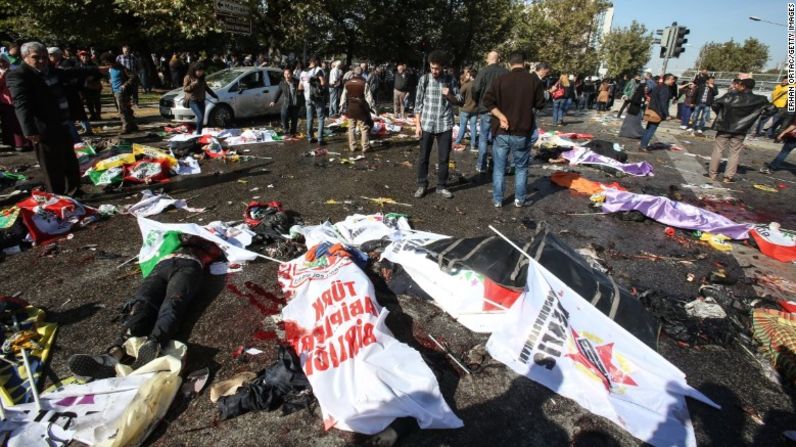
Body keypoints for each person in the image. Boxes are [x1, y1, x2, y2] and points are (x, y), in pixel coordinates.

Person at [68, 235, 223, 378]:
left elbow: (216, 251)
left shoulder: (207, 239)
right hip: (161, 266)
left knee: (172, 303)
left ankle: (154, 344)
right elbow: (153, 244)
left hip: (189, 266)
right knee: (142, 304)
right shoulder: (169, 237)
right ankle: (113, 355)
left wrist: (195, 237)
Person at [7, 42, 88, 195]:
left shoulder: (49, 70)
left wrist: (97, 70)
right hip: (42, 128)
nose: (42, 61)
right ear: (25, 57)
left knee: (69, 161)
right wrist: (29, 130)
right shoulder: (18, 75)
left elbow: (72, 74)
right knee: (51, 165)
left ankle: (74, 190)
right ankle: (56, 195)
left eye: (44, 57)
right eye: (36, 57)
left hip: (62, 123)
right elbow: (21, 104)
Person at [482, 52, 545, 208]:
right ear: (524, 63)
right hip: (522, 132)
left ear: (510, 64)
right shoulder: (533, 80)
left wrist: (500, 115)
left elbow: (487, 101)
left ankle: (497, 200)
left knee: (499, 167)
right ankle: (520, 199)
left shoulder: (500, 80)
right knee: (522, 167)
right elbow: (541, 104)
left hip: (502, 132)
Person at [413, 50, 462, 199]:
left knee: (443, 158)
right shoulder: (424, 79)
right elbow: (418, 104)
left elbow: (459, 100)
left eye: (437, 68)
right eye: (432, 67)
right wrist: (417, 125)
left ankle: (441, 186)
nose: (434, 71)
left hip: (445, 124)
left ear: (442, 67)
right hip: (426, 123)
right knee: (423, 157)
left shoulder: (450, 79)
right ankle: (422, 185)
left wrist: (449, 95)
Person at [707, 78, 769, 182]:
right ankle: (728, 177)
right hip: (742, 129)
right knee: (734, 153)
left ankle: (712, 174)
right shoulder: (760, 99)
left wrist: (722, 115)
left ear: (743, 86)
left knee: (718, 150)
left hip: (724, 127)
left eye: (739, 85)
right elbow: (772, 109)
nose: (737, 86)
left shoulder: (730, 95)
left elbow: (715, 104)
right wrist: (758, 115)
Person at [472, 51, 509, 173]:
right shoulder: (505, 72)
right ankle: (494, 164)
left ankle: (481, 165)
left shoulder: (483, 71)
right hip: (499, 110)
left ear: (488, 59)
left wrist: (478, 102)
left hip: (485, 109)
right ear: (498, 60)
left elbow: (475, 89)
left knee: (483, 138)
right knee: (497, 138)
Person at [49, 47, 92, 141]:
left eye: (51, 55)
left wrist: (77, 86)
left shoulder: (66, 63)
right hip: (64, 93)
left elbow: (76, 74)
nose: (50, 57)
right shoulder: (53, 64)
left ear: (58, 54)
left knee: (75, 113)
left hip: (71, 92)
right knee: (71, 115)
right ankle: (78, 134)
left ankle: (80, 134)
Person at [340, 66, 375, 153]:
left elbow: (343, 96)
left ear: (353, 73)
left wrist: (341, 106)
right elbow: (369, 98)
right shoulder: (364, 83)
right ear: (362, 73)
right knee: (364, 127)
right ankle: (365, 147)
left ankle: (352, 146)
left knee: (351, 127)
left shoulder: (347, 83)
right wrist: (373, 107)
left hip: (351, 107)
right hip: (360, 108)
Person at [0, 56, 31, 152]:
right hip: (5, 102)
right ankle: (17, 144)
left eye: (3, 61)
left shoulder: (14, 69)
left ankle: (28, 142)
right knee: (11, 123)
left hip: (18, 99)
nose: (2, 64)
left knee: (22, 120)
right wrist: (2, 76)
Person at [639, 74, 675, 151]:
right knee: (651, 130)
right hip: (657, 112)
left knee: (648, 129)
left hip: (652, 110)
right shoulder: (665, 89)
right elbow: (663, 102)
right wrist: (667, 114)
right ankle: (643, 146)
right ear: (667, 79)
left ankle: (642, 144)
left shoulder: (658, 86)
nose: (673, 81)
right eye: (672, 79)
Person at [106, 53, 138, 134]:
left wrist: (125, 85)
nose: (105, 64)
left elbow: (133, 76)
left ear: (109, 61)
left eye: (106, 62)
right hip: (115, 91)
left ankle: (126, 127)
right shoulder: (110, 68)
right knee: (127, 109)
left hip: (121, 92)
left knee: (122, 110)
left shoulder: (121, 68)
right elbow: (111, 77)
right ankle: (133, 125)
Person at [298, 56, 327, 145]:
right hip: (317, 98)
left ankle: (310, 137)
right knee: (321, 118)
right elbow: (322, 82)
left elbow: (300, 87)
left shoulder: (302, 72)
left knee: (309, 118)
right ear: (315, 62)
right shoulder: (318, 70)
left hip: (307, 98)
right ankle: (320, 139)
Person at [183, 63, 218, 135]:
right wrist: (194, 84)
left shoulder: (202, 78)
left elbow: (207, 88)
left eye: (202, 71)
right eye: (198, 71)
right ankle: (198, 134)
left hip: (201, 100)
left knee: (201, 118)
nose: (200, 73)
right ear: (194, 70)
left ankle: (199, 132)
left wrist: (214, 95)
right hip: (193, 101)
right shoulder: (188, 77)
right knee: (200, 116)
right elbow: (185, 89)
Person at [270, 68, 301, 137]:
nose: (287, 76)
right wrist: (274, 101)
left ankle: (293, 132)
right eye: (285, 74)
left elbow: (302, 91)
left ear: (292, 74)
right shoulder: (282, 83)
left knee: (294, 118)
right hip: (287, 103)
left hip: (295, 103)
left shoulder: (297, 82)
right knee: (284, 116)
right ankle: (286, 130)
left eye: (288, 74)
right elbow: (278, 92)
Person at [452, 67, 478, 152]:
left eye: (467, 74)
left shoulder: (467, 84)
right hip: (475, 110)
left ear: (470, 75)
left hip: (465, 109)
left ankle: (457, 142)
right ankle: (473, 145)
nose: (466, 75)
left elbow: (459, 94)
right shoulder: (478, 85)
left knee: (463, 126)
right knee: (473, 127)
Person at [78, 50, 102, 121]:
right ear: (80, 57)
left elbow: (100, 74)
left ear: (88, 57)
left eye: (86, 55)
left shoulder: (93, 65)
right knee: (88, 102)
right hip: (84, 87)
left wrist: (93, 78)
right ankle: (93, 115)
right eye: (82, 56)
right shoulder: (78, 65)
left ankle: (98, 115)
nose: (84, 57)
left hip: (94, 86)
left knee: (96, 101)